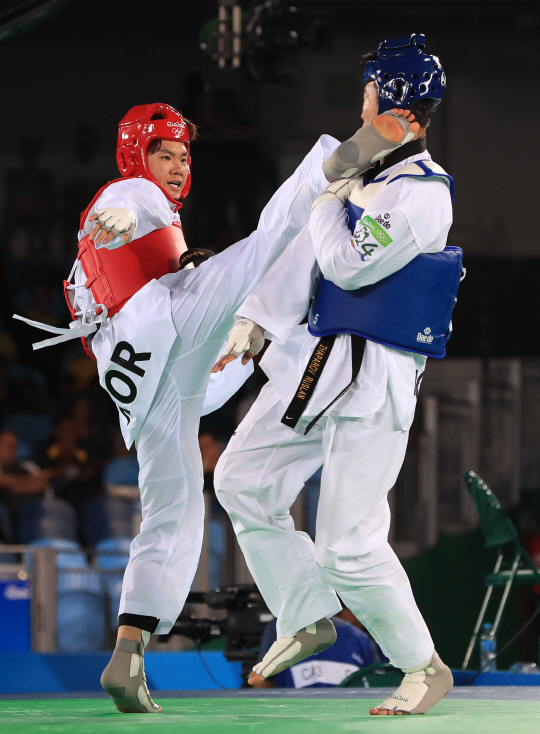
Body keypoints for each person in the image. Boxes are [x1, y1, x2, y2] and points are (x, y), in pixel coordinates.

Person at [16, 99, 415, 713]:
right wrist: (116, 222)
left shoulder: (122, 237)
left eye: (183, 158)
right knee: (270, 242)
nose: (176, 168)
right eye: (164, 155)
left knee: (172, 515)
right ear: (135, 156)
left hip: (147, 385)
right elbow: (118, 213)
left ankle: (129, 651)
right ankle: (350, 154)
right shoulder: (128, 193)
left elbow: (121, 264)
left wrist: (176, 259)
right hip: (163, 324)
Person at [213, 34, 454, 715]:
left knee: (347, 545)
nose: (361, 102)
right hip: (313, 367)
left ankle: (422, 666)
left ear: (391, 97)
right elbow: (304, 258)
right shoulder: (365, 174)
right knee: (241, 480)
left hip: (373, 382)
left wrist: (325, 200)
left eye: (369, 90)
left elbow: (348, 263)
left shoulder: (423, 194)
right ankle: (306, 614)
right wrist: (258, 319)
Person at [254, 608, 376, 689]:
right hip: (297, 719)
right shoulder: (360, 637)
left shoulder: (360, 638)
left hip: (293, 719)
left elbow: (261, 683)